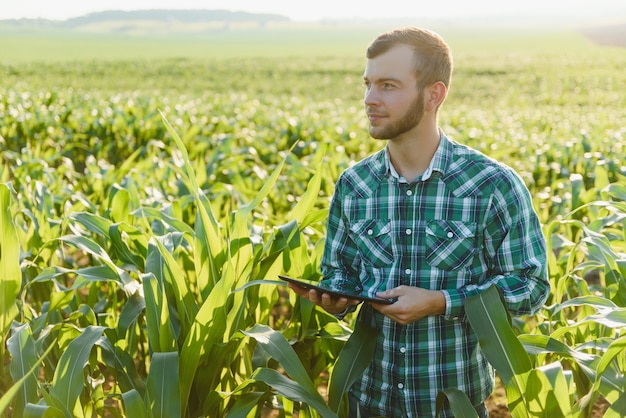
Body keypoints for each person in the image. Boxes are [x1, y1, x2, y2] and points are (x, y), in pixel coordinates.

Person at [288, 26, 549, 417]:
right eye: (367, 84)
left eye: (388, 86)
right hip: (368, 401)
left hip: (452, 405)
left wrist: (442, 302)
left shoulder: (491, 185)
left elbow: (531, 286)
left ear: (434, 94)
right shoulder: (354, 186)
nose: (369, 100)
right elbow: (338, 272)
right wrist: (336, 297)